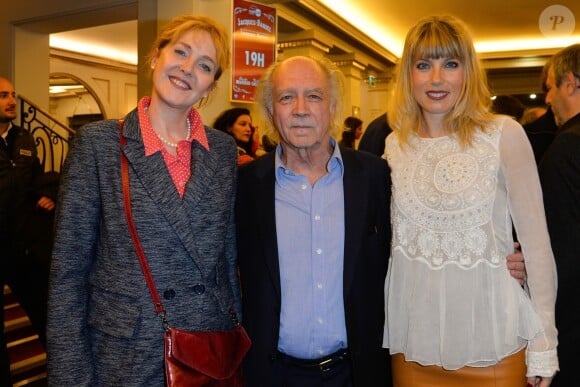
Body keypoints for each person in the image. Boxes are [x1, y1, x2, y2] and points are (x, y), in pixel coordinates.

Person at [236, 55, 528, 387]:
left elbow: (424, 238)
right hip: (271, 373)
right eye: (287, 97)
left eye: (314, 96)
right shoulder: (245, 185)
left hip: (358, 371)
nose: (301, 108)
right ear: (272, 111)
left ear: (332, 108)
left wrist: (500, 259)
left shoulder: (374, 176)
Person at [46, 15, 242, 385]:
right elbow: (68, 274)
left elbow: (226, 260)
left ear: (210, 86)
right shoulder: (98, 144)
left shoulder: (222, 150)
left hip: (206, 350)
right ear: (156, 56)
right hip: (127, 352)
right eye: (180, 52)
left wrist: (231, 339)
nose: (187, 68)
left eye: (204, 65)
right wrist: (70, 376)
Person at [382, 15, 558, 387]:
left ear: (468, 72)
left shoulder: (503, 135)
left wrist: (545, 343)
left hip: (495, 342)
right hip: (414, 347)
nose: (436, 78)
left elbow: (538, 247)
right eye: (423, 64)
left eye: (450, 64)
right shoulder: (394, 146)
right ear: (408, 74)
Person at [0, 76, 58, 381]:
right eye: (3, 95)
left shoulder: (23, 138)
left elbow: (35, 180)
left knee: (44, 315)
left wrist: (49, 195)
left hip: (24, 246)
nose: (11, 101)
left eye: (12, 95)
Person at [537, 43, 580, 387]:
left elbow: (560, 258)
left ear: (570, 83)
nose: (548, 100)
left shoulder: (566, 148)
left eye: (550, 87)